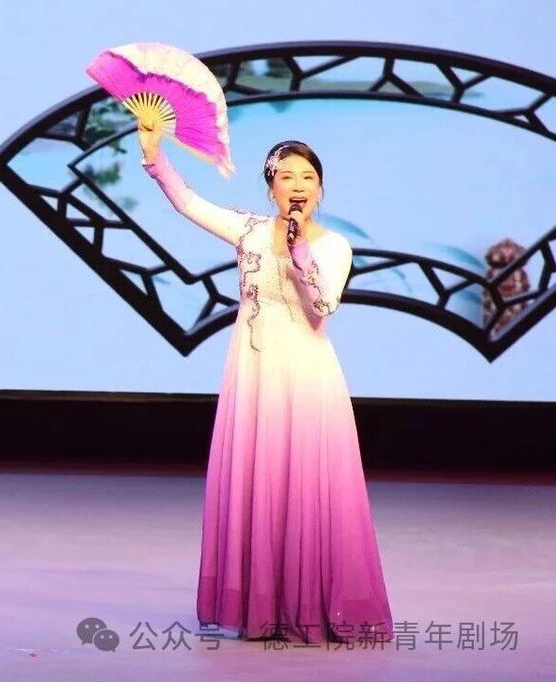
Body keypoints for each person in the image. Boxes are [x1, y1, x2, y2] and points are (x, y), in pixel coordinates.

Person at [138, 122, 392, 643]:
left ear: (320, 189)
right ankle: (259, 607)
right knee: (260, 484)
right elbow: (189, 203)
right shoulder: (249, 231)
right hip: (253, 374)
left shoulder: (335, 246)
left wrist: (299, 254)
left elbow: (322, 307)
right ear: (271, 187)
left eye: (308, 177)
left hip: (306, 376)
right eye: (286, 176)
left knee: (307, 488)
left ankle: (312, 607)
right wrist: (155, 155)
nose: (298, 185)